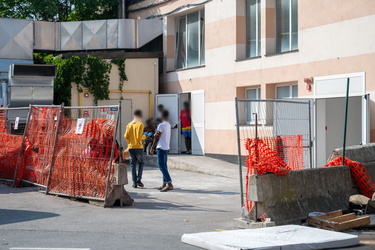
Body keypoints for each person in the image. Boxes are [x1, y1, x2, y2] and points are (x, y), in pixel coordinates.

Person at [151, 110, 173, 192]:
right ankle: (164, 183)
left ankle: (169, 184)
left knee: (161, 166)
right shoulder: (168, 124)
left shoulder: (161, 125)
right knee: (164, 166)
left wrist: (152, 147)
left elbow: (157, 137)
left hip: (160, 147)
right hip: (166, 147)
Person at [124, 110, 146, 188]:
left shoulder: (129, 125)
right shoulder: (140, 125)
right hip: (138, 147)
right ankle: (138, 179)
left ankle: (134, 183)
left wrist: (130, 142)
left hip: (131, 147)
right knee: (141, 163)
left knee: (133, 164)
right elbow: (139, 137)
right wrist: (145, 137)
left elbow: (126, 136)